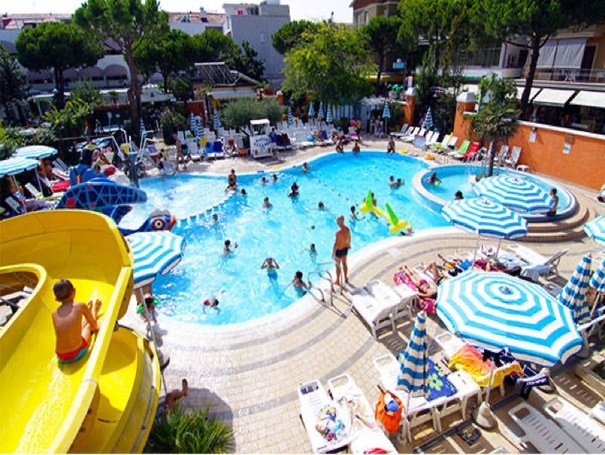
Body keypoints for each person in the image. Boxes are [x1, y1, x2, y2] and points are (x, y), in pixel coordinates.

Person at [51, 279, 101, 364]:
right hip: (76, 353)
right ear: (74, 291)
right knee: (89, 326)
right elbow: (95, 326)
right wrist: (95, 315)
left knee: (75, 328)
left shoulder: (54, 313)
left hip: (61, 356)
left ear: (57, 299)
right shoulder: (80, 306)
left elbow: (70, 329)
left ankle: (87, 316)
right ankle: (94, 312)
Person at [332, 215, 351, 286]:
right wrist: (348, 244)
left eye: (338, 220)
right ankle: (345, 278)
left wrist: (333, 253)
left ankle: (337, 280)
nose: (337, 222)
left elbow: (336, 243)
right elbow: (349, 237)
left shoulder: (338, 232)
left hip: (339, 250)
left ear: (341, 221)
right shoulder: (347, 229)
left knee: (338, 265)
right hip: (345, 248)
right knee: (344, 264)